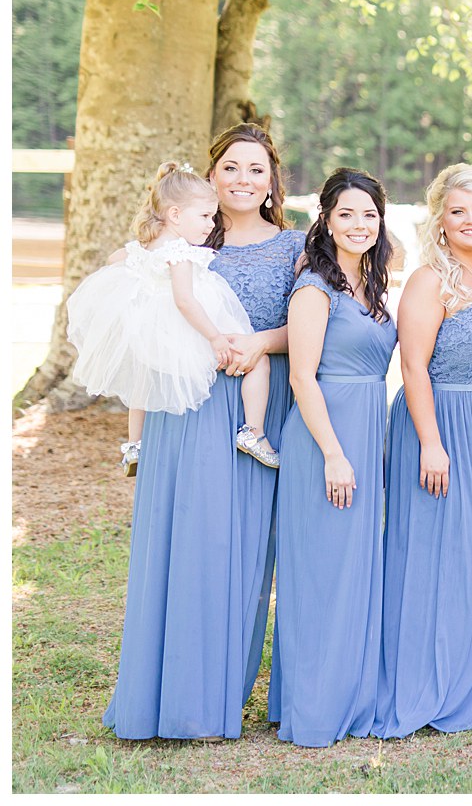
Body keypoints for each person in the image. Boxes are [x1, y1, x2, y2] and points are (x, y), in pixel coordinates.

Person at [102, 122, 302, 741]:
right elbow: (134, 299)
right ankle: (168, 697)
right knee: (179, 544)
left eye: (257, 170)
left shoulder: (296, 246)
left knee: (239, 552)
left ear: (272, 182)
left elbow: (317, 326)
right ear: (211, 176)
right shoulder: (181, 236)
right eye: (232, 168)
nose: (244, 180)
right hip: (183, 407)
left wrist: (258, 343)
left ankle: (215, 697)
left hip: (255, 405)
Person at [375, 164, 472, 739]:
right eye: (458, 210)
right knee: (440, 558)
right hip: (437, 425)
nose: (470, 220)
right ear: (439, 219)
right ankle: (428, 675)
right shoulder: (426, 282)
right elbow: (412, 366)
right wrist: (432, 444)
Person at [272, 168, 398, 747]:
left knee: (355, 569)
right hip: (327, 440)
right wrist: (333, 454)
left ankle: (352, 694)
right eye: (345, 214)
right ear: (325, 219)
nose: (358, 224)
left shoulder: (372, 285)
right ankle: (317, 706)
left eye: (368, 214)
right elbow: (301, 375)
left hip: (367, 426)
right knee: (323, 571)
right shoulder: (313, 286)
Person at [67, 161, 276, 471]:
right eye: (205, 216)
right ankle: (253, 432)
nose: (210, 224)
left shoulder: (147, 246)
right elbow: (186, 301)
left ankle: (134, 445)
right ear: (176, 215)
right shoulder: (180, 251)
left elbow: (114, 260)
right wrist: (215, 337)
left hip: (150, 330)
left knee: (142, 381)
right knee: (258, 360)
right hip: (189, 329)